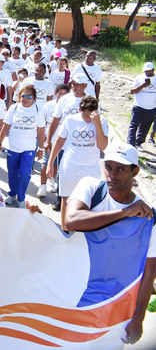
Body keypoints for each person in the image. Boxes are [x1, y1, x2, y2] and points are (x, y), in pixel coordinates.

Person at [64, 143, 155, 346]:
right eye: (108, 167)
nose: (112, 174)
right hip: (76, 295)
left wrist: (138, 319)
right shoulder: (91, 187)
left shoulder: (149, 218)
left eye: (121, 169)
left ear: (135, 171)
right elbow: (70, 220)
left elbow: (149, 272)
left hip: (115, 308)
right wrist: (124, 213)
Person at [47, 95, 108, 214]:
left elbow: (102, 146)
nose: (88, 119)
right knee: (66, 198)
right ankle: (65, 230)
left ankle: (82, 229)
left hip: (90, 168)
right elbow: (59, 142)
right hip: (70, 166)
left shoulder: (101, 122)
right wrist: (50, 163)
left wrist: (97, 124)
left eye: (91, 115)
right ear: (80, 110)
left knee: (88, 202)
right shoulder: (70, 120)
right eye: (86, 115)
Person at [0, 84, 46, 208]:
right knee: (12, 173)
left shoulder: (38, 110)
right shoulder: (14, 108)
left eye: (29, 96)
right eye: (23, 96)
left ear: (34, 98)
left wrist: (41, 148)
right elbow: (5, 126)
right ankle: (12, 194)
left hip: (28, 149)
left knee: (24, 173)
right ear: (19, 97)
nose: (25, 99)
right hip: (13, 147)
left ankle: (21, 197)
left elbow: (40, 131)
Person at [37, 83, 69, 197]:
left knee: (56, 164)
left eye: (64, 94)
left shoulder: (68, 107)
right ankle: (42, 186)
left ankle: (51, 180)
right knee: (45, 163)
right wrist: (45, 138)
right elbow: (42, 121)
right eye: (60, 93)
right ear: (56, 94)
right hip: (49, 140)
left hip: (62, 142)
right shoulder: (48, 105)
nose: (61, 96)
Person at [127, 62, 156, 150]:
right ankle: (130, 144)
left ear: (153, 70)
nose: (147, 73)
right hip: (138, 106)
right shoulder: (139, 78)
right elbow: (132, 91)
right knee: (133, 125)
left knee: (145, 127)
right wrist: (143, 85)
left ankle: (138, 143)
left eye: (149, 71)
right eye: (146, 71)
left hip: (151, 108)